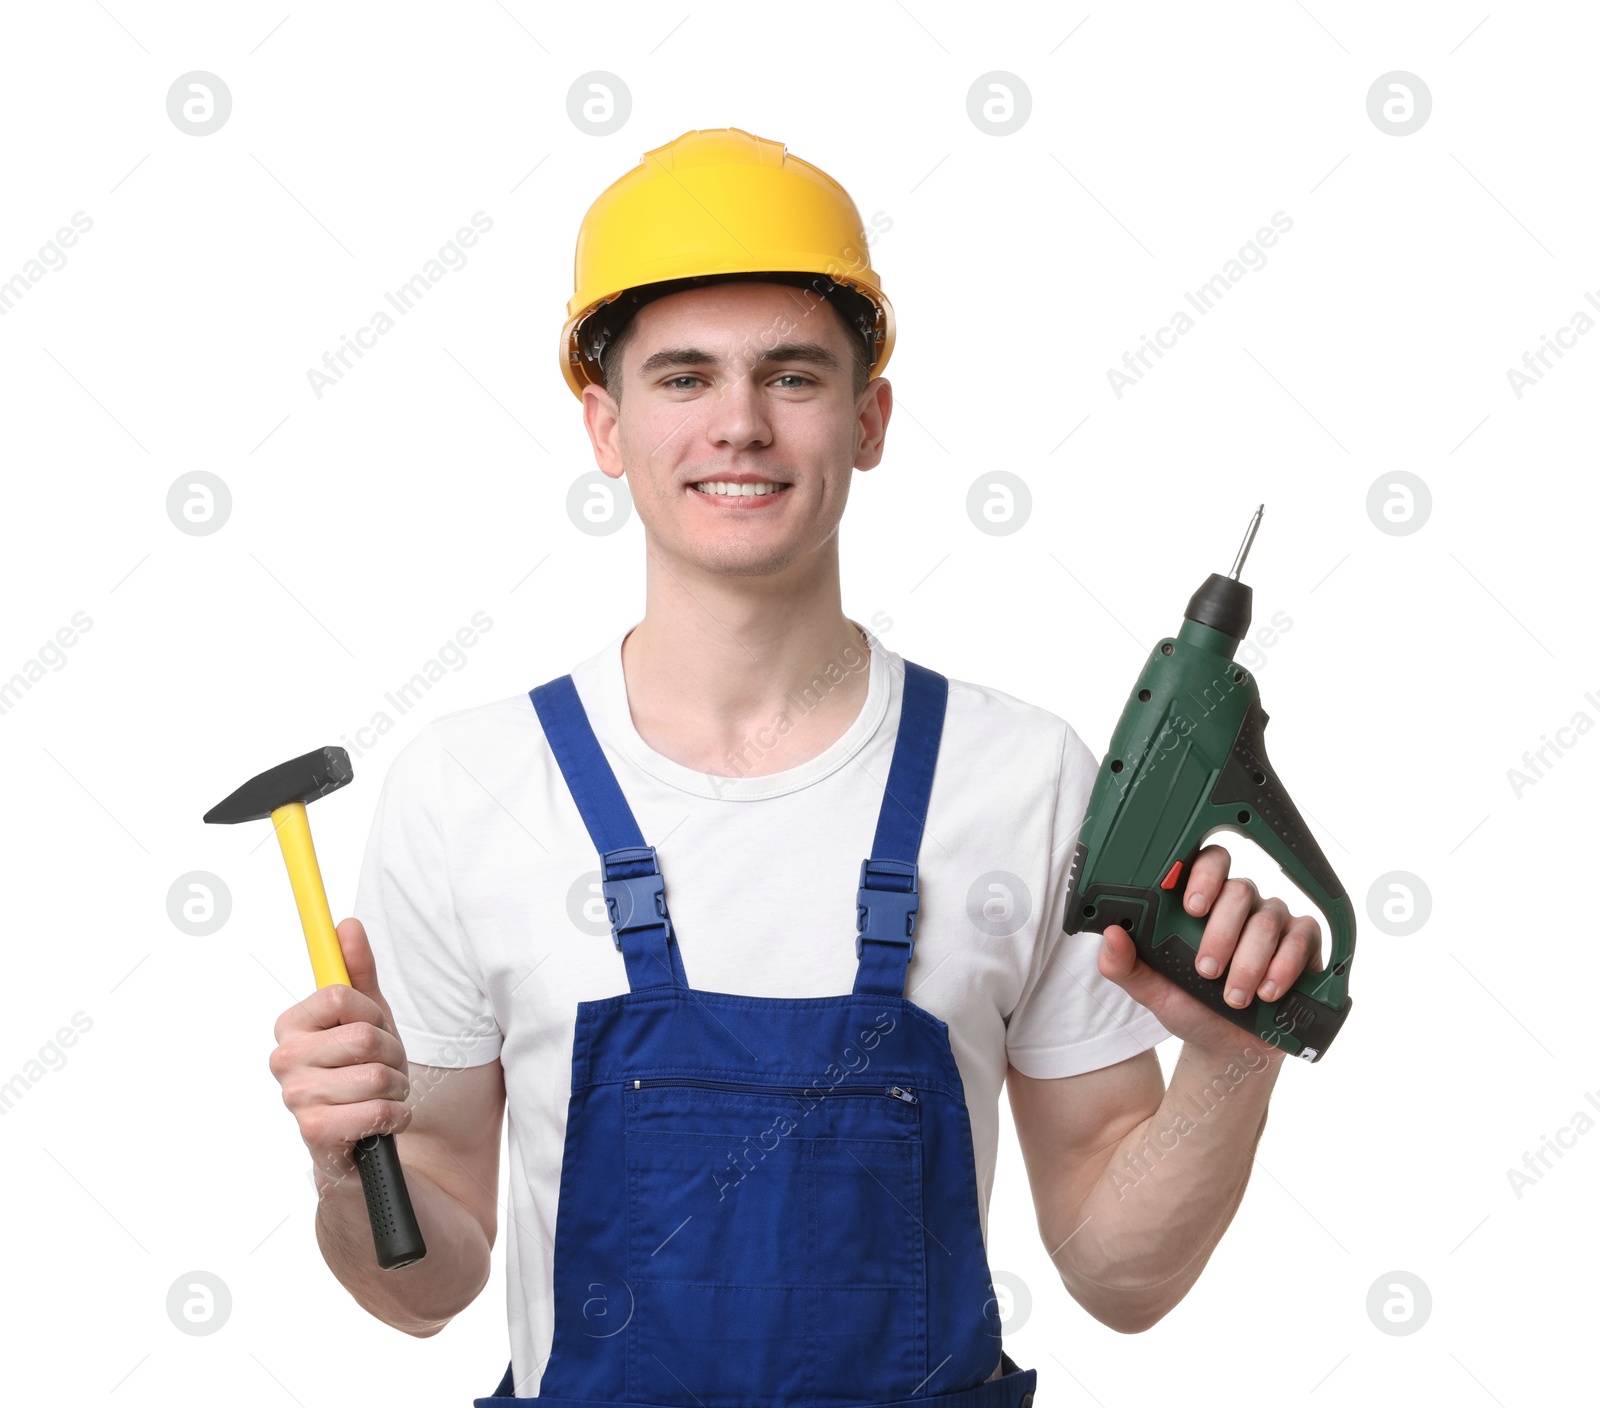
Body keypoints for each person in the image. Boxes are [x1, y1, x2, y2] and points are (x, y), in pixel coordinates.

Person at [268, 128, 1323, 1407]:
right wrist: (346, 1165)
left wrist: (1230, 1065)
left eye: (793, 376)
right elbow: (422, 1284)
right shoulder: (469, 788)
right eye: (681, 378)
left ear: (869, 417)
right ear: (603, 424)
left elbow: (1120, 1276)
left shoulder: (1023, 779)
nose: (740, 425)